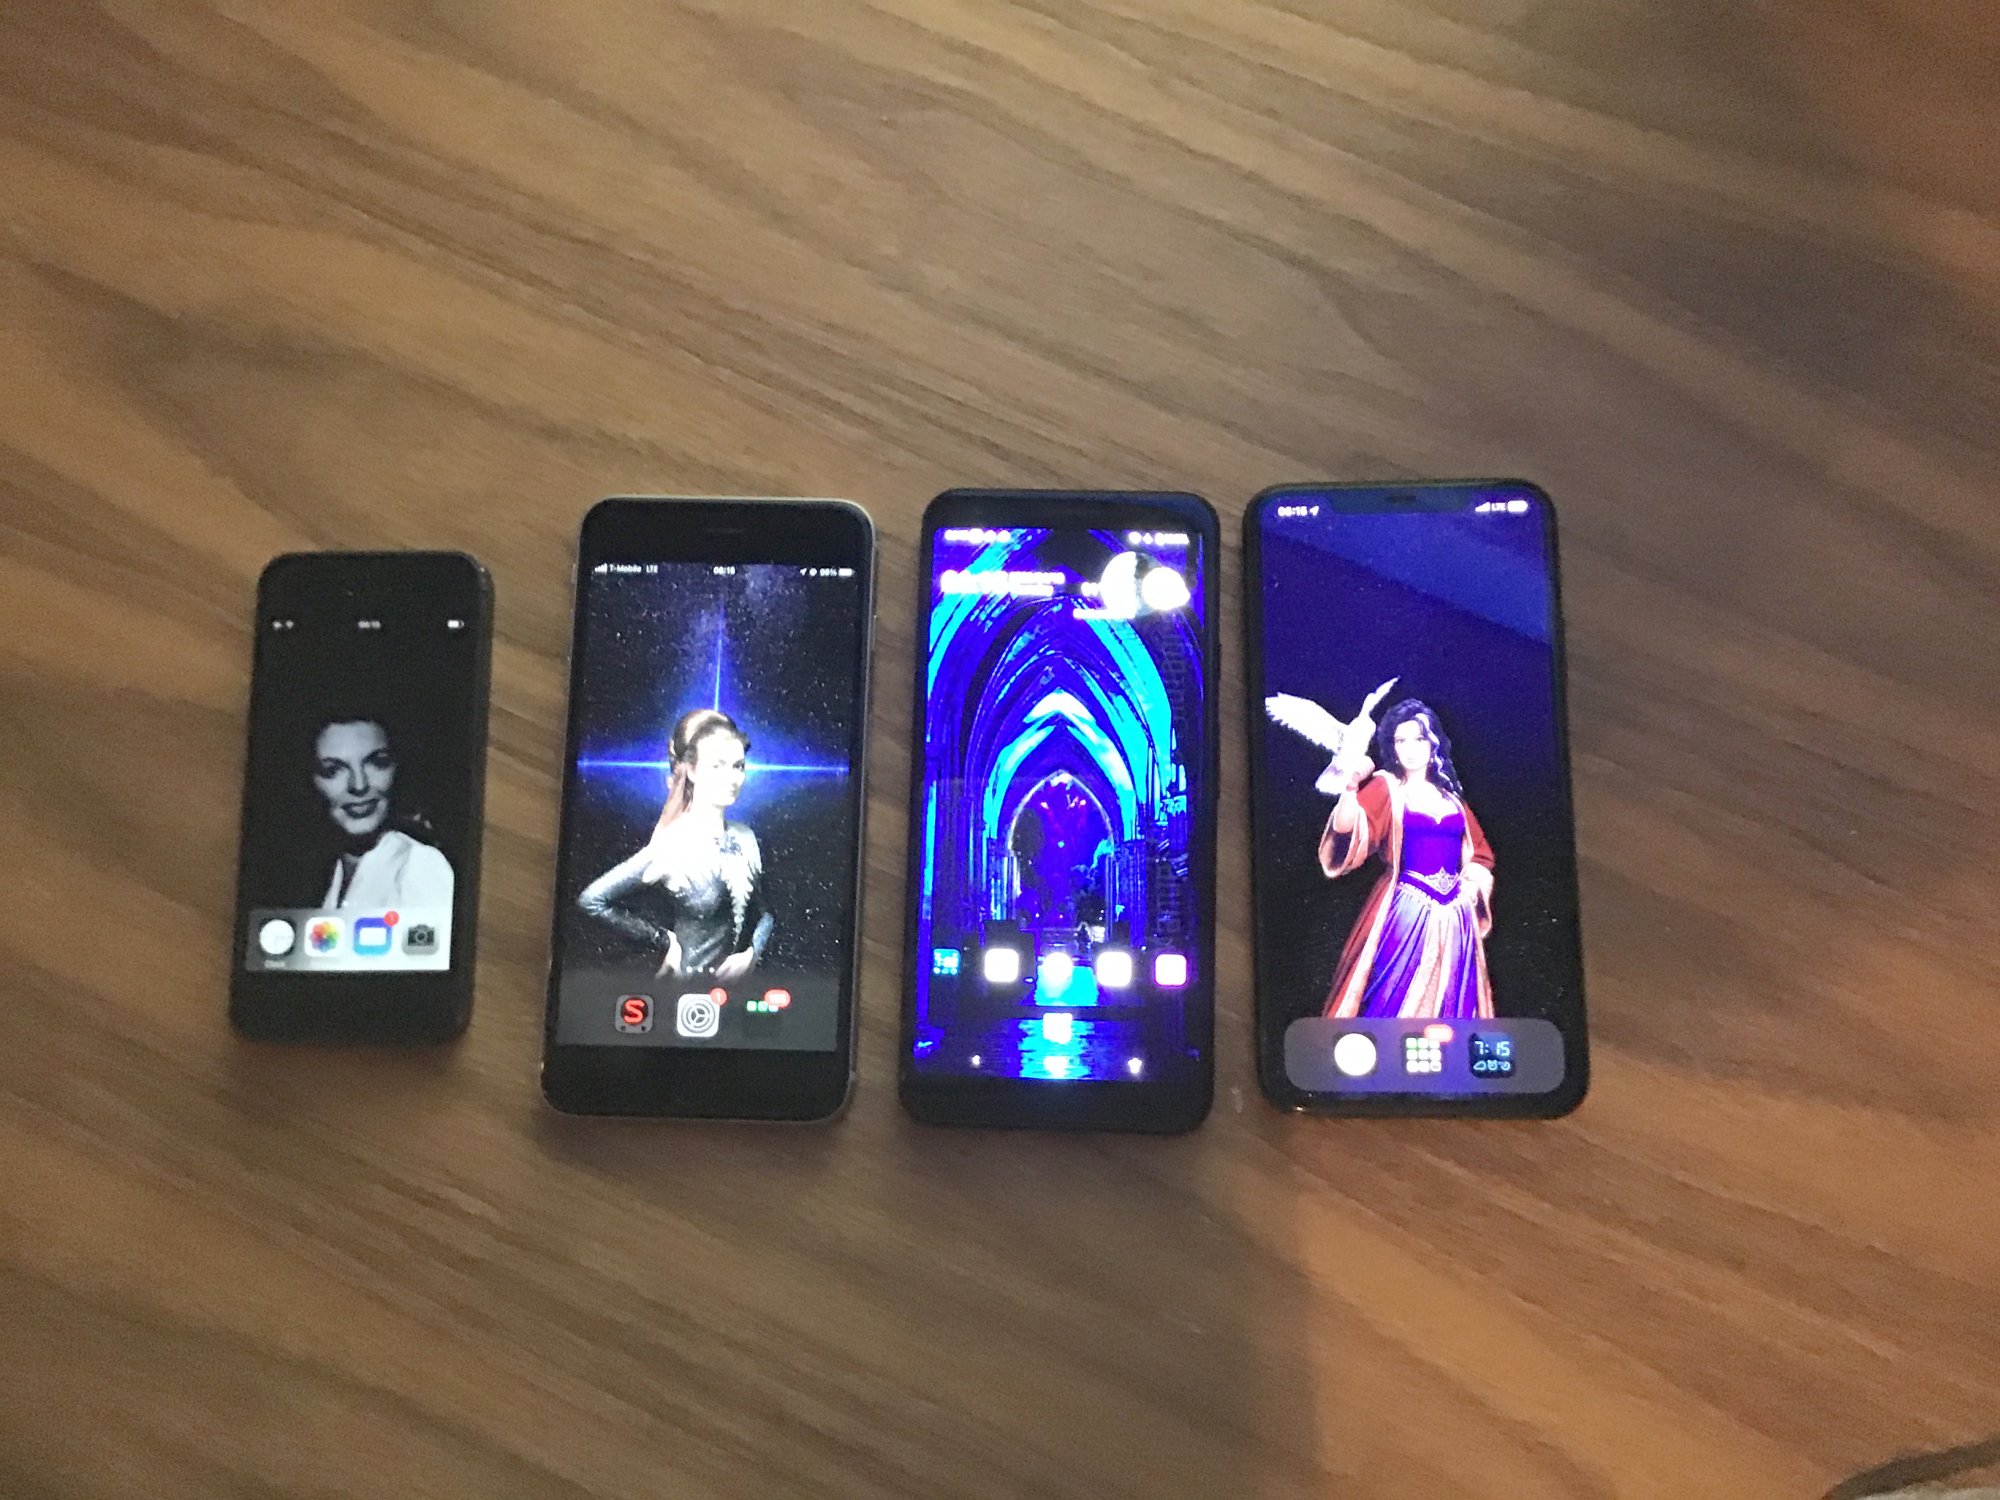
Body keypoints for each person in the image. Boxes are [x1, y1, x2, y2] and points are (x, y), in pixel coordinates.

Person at [1316, 692, 1495, 1019]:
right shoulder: (1386, 787)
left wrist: (1469, 889)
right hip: (1405, 912)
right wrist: (1350, 787)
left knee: (1454, 1004)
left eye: (1419, 739)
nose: (1411, 748)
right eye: (1401, 741)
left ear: (1433, 743)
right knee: (1390, 997)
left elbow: (1480, 856)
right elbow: (1347, 829)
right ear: (1393, 747)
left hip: (1456, 919)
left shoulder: (1452, 799)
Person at [577, 708, 773, 980]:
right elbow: (592, 900)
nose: (731, 778)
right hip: (681, 991)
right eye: (717, 766)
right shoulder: (672, 845)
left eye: (738, 766)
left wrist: (751, 954)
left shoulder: (746, 837)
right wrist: (662, 940)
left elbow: (764, 914)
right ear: (691, 770)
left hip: (738, 995)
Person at [312, 714, 454, 908]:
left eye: (377, 762)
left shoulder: (419, 863)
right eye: (332, 770)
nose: (359, 785)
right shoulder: (327, 869)